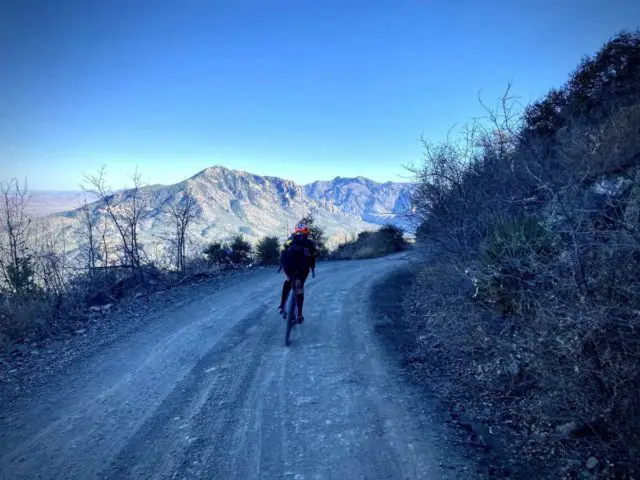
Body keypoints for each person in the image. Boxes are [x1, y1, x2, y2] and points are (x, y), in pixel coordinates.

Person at [277, 223, 316, 323]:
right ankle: (299, 314)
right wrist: (312, 267)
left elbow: (282, 251)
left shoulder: (291, 239)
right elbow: (313, 256)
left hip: (288, 266)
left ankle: (282, 305)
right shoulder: (309, 243)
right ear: (306, 233)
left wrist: (282, 264)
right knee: (299, 288)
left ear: (296, 231)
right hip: (302, 268)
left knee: (288, 280)